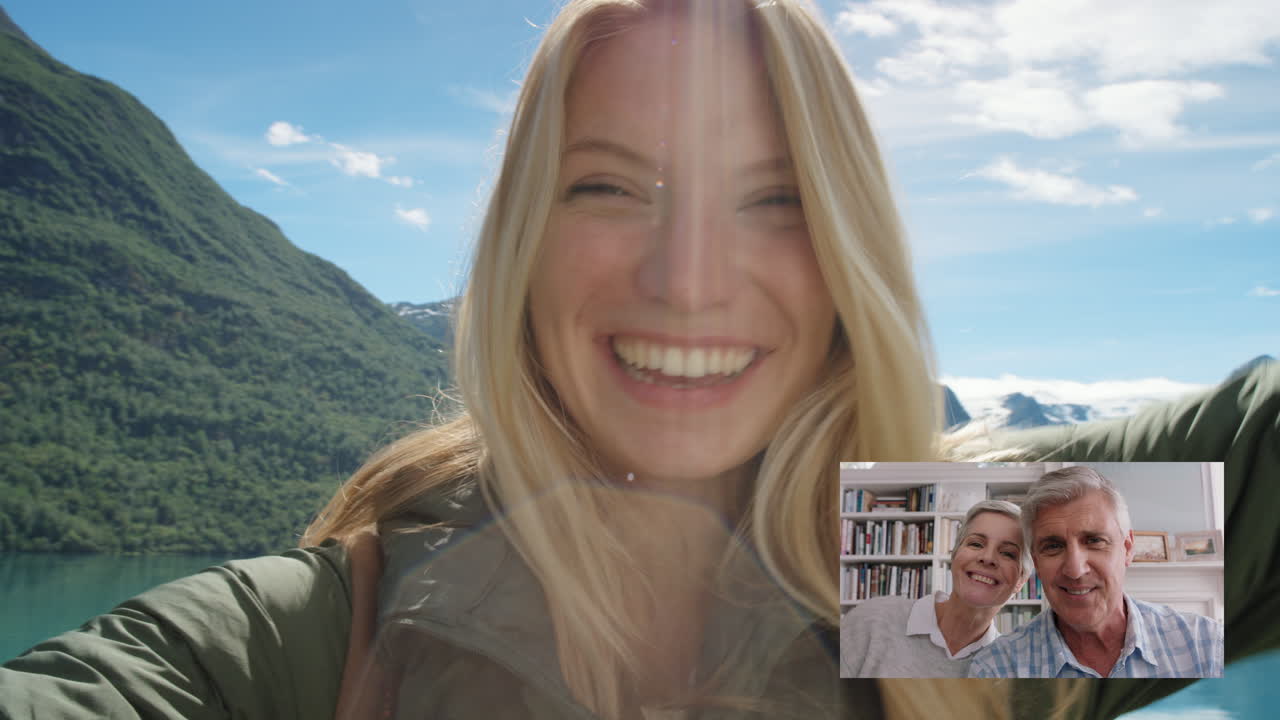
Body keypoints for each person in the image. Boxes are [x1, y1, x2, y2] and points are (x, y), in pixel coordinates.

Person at [0, 1, 1276, 719]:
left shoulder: (968, 575)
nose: (686, 276)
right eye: (611, 185)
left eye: (774, 198)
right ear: (521, 246)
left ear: (848, 260)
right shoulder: (323, 639)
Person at [968, 467, 1224, 678]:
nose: (1075, 569)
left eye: (1094, 541)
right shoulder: (997, 668)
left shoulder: (1208, 645)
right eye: (1053, 546)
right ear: (1036, 561)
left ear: (1127, 548)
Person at [840, 500, 1032, 677]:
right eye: (975, 543)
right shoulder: (873, 620)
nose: (987, 558)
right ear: (955, 555)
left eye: (1008, 553)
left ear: (1021, 581)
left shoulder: (1007, 666)